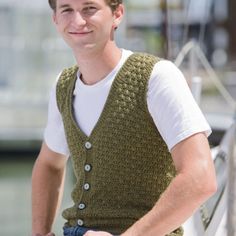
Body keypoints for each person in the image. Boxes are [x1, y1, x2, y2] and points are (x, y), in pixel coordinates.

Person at [31, 0, 217, 236]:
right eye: (66, 9)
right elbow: (49, 163)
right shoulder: (63, 85)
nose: (78, 20)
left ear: (117, 13)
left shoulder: (156, 77)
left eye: (89, 8)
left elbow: (200, 177)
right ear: (55, 19)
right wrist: (40, 232)